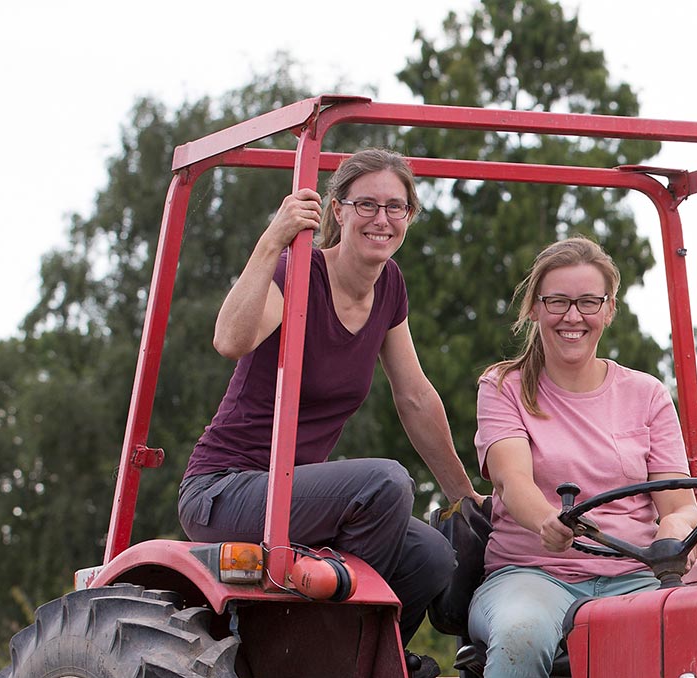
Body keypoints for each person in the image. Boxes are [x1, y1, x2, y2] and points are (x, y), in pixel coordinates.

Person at [178, 148, 477, 650]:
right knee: (385, 483)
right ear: (337, 210)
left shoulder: (389, 287)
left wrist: (465, 502)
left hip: (294, 495)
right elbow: (230, 339)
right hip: (226, 490)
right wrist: (274, 239)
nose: (381, 219)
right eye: (367, 205)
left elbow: (416, 398)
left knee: (432, 555)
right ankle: (329, 653)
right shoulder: (299, 273)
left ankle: (372, 669)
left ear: (409, 216)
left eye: (395, 207)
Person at [468, 237, 697, 678]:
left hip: (632, 577)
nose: (572, 317)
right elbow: (512, 479)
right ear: (535, 308)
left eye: (588, 303)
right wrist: (546, 520)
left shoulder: (645, 394)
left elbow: (678, 504)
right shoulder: (503, 385)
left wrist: (675, 536)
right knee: (520, 637)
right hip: (533, 574)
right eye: (557, 302)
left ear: (609, 310)